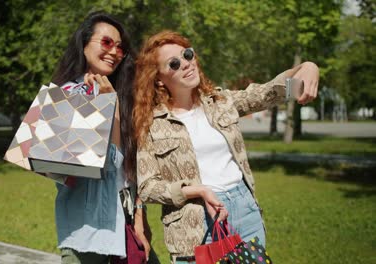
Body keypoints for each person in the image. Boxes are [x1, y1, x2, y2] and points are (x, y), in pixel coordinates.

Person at [132, 30, 319, 263]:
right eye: (174, 63)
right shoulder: (150, 123)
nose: (186, 64)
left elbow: (269, 92)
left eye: (187, 55)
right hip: (195, 224)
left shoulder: (221, 102)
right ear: (158, 78)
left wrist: (307, 67)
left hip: (244, 212)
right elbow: (148, 187)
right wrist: (196, 190)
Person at [51, 11, 156, 264]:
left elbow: (134, 168)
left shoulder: (125, 94)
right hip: (86, 228)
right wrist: (108, 107)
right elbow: (107, 164)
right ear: (84, 43)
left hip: (128, 220)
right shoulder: (65, 97)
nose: (114, 53)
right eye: (107, 42)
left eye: (120, 48)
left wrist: (141, 213)